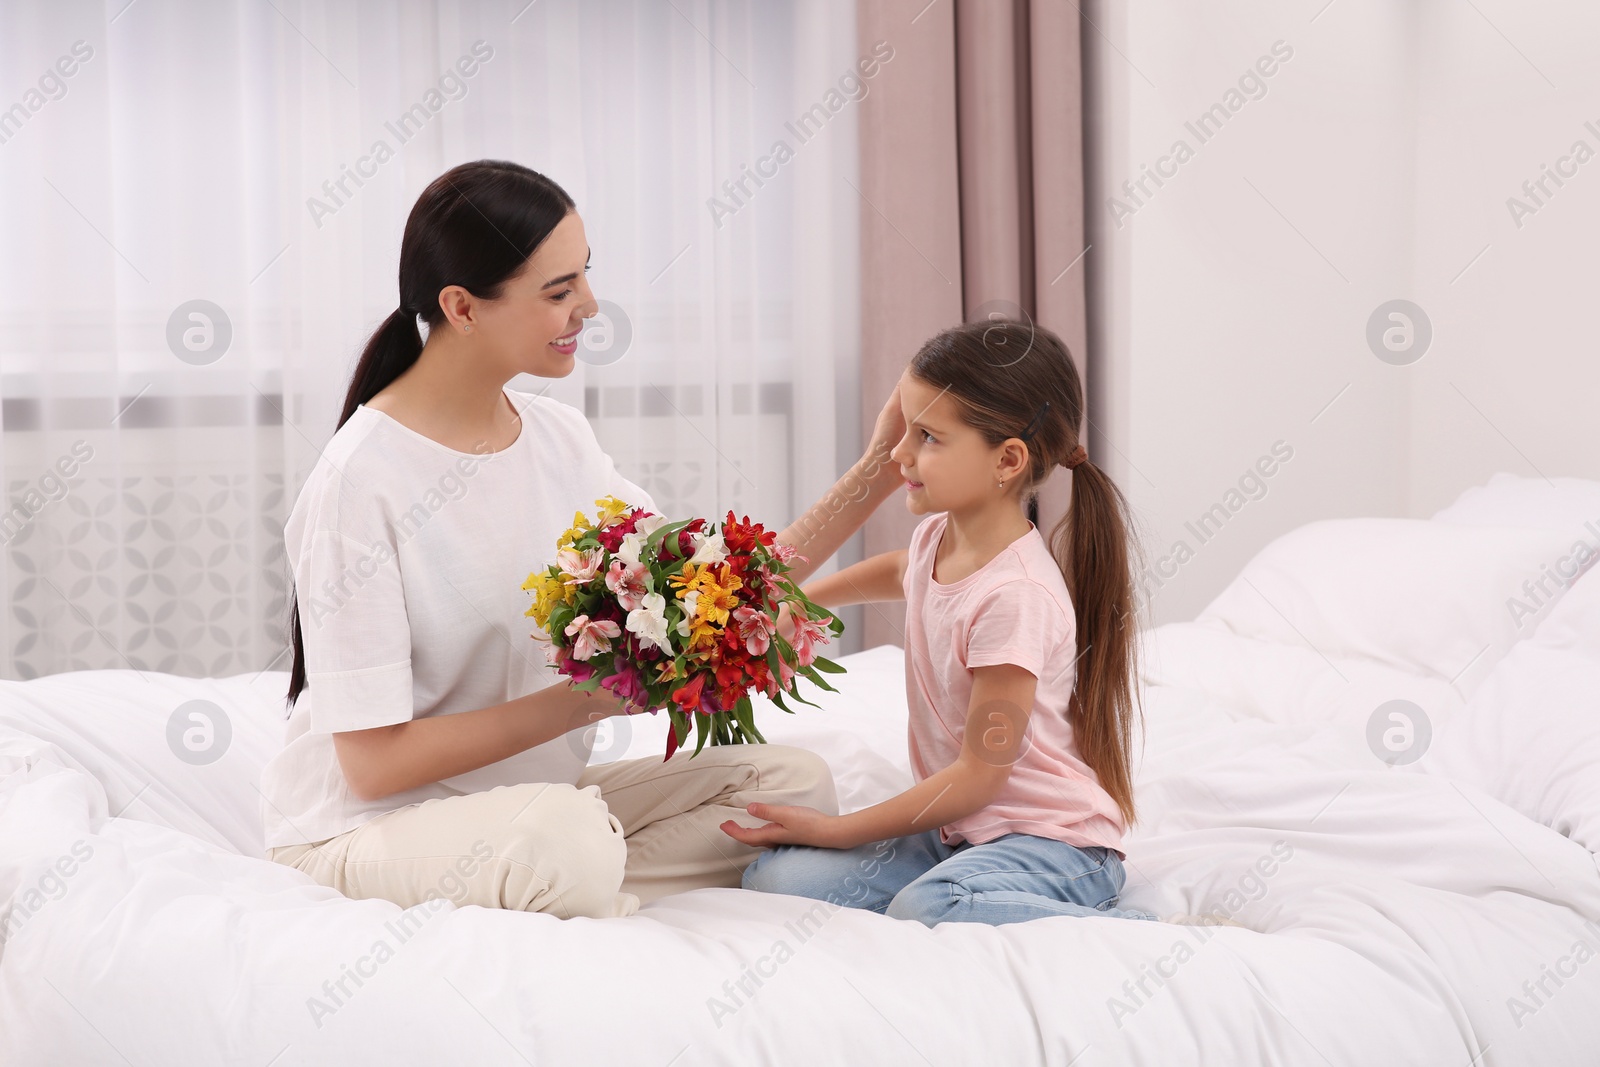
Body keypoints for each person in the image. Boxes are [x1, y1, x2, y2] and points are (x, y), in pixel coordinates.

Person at [260, 160, 909, 919]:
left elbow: (718, 593)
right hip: (369, 830)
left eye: (584, 279)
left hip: (532, 806)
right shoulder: (359, 481)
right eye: (559, 291)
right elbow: (372, 767)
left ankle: (582, 883)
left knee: (791, 784)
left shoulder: (558, 438)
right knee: (564, 837)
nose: (590, 306)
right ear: (462, 307)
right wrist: (582, 704)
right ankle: (575, 876)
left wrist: (878, 470)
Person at [727, 319, 1162, 927]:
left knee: (930, 903)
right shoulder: (941, 533)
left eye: (927, 436)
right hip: (959, 833)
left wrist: (839, 829)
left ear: (1007, 460)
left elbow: (979, 778)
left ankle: (1134, 928)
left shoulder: (1017, 597)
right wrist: (800, 599)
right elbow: (899, 570)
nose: (899, 454)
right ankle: (965, 886)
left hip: (1053, 846)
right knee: (775, 880)